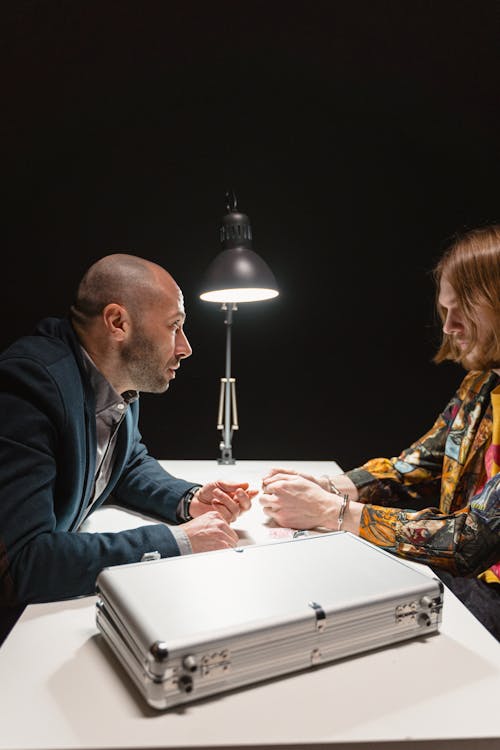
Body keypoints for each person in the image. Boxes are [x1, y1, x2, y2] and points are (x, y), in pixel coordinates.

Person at [260, 224, 500, 639]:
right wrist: (330, 486)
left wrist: (330, 512)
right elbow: (412, 467)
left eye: (462, 308)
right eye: (445, 310)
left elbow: (469, 543)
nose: (448, 326)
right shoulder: (480, 386)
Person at [0, 253, 257, 613]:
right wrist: (176, 541)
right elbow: (26, 562)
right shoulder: (31, 385)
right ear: (118, 322)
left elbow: (125, 464)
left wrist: (189, 499)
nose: (185, 347)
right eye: (173, 326)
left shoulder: (115, 378)